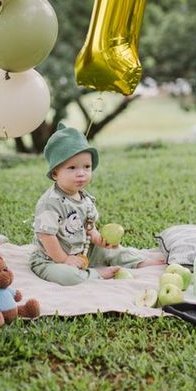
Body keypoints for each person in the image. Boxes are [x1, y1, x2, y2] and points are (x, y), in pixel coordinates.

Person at [30, 123, 164, 286]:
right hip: (51, 258)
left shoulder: (85, 199)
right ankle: (94, 274)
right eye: (72, 168)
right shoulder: (50, 203)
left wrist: (97, 238)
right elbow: (46, 236)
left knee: (112, 250)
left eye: (87, 167)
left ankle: (139, 261)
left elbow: (89, 226)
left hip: (83, 252)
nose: (81, 173)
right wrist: (65, 259)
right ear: (55, 173)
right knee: (67, 276)